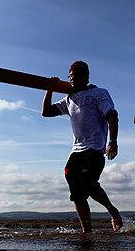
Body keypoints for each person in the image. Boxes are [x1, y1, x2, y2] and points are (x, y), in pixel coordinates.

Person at [41, 60, 122, 233]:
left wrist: (113, 141)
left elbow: (112, 116)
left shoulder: (99, 93)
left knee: (87, 182)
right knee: (76, 190)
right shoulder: (69, 98)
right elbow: (46, 112)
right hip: (77, 149)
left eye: (76, 75)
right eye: (70, 76)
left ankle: (111, 209)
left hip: (95, 148)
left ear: (86, 77)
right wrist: (50, 89)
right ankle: (87, 231)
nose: (72, 79)